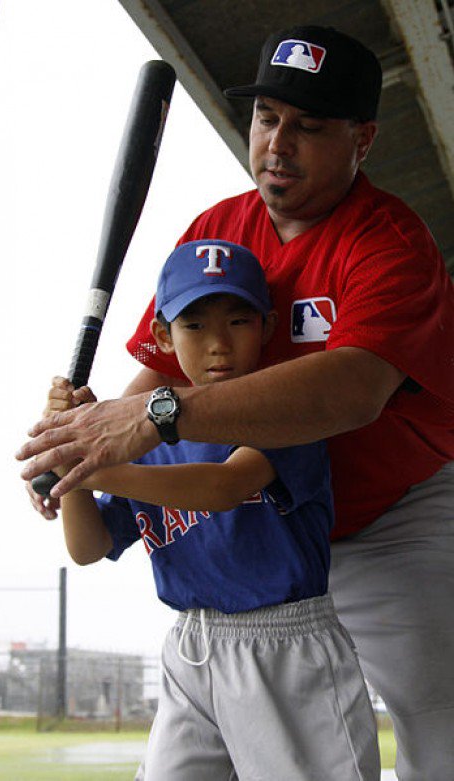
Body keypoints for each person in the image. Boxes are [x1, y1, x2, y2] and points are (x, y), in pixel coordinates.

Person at [17, 25, 454, 781]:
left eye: (310, 126)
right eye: (267, 118)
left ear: (364, 139)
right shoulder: (216, 231)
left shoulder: (389, 243)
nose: (278, 143)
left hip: (388, 515)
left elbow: (351, 390)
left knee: (437, 711)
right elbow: (155, 381)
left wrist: (144, 427)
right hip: (263, 541)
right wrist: (81, 445)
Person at [41, 239, 380, 780]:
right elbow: (89, 547)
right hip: (190, 648)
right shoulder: (141, 442)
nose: (218, 343)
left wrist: (84, 462)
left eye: (238, 321)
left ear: (267, 327)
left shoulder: (282, 412)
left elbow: (224, 486)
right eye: (194, 325)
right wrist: (73, 473)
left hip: (286, 648)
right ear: (162, 335)